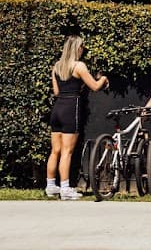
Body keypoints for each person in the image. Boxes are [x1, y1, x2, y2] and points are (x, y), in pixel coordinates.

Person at [46, 35, 108, 200]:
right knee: (67, 151)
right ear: (77, 48)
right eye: (82, 48)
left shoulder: (57, 66)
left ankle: (51, 185)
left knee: (55, 151)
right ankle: (65, 188)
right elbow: (94, 86)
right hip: (70, 109)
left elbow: (57, 92)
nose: (83, 51)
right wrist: (103, 79)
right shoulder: (79, 66)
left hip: (57, 109)